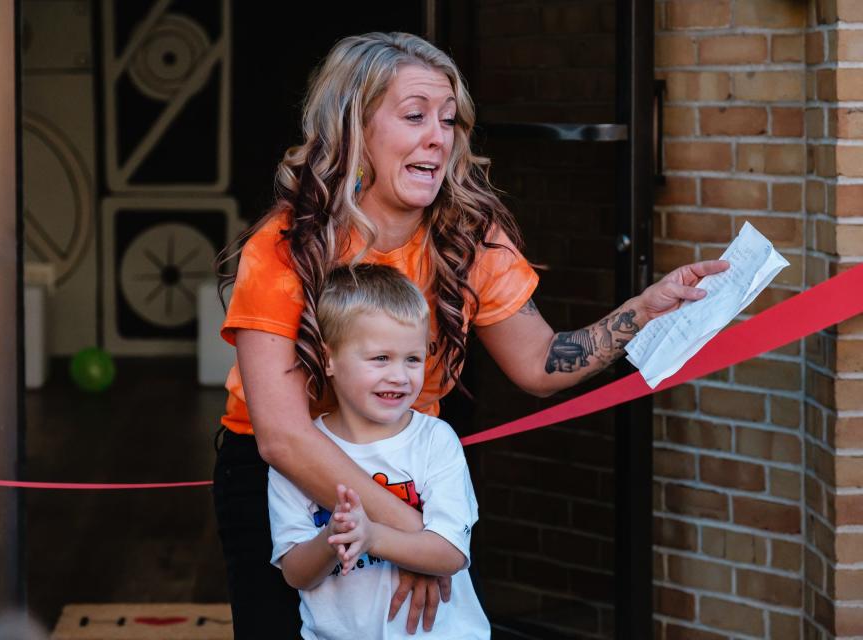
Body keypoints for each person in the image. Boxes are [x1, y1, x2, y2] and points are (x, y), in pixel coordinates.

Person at [214, 31, 727, 638]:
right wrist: (416, 538)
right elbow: (283, 439)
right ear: (355, 128)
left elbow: (539, 361)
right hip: (291, 483)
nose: (439, 135)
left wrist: (642, 310)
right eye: (414, 116)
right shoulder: (285, 246)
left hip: (410, 468)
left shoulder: (468, 234)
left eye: (450, 120)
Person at [267, 264, 490, 639]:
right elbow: (295, 573)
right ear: (329, 358)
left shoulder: (436, 441)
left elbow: (451, 553)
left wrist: (373, 537)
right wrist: (332, 538)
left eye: (413, 359)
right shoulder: (302, 454)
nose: (399, 376)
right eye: (380, 358)